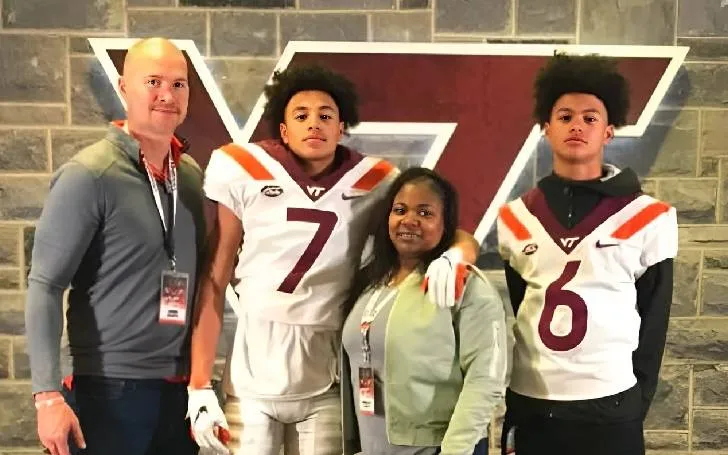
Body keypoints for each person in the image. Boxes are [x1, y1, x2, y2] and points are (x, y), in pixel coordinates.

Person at [187, 64, 479, 455]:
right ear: (284, 129)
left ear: (342, 127)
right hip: (252, 368)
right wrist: (199, 384)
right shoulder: (244, 168)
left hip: (326, 372)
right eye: (301, 115)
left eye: (326, 115)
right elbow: (215, 278)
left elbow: (447, 227)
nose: (314, 124)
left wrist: (459, 253)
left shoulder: (376, 180)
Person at [25, 37, 205, 455]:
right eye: (154, 81)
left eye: (179, 84)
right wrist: (47, 396)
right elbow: (45, 285)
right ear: (124, 88)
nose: (167, 94)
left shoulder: (191, 176)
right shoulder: (90, 175)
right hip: (109, 391)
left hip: (180, 393)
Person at [497, 54, 678, 455]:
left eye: (590, 117)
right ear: (545, 128)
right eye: (564, 116)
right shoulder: (514, 217)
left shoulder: (650, 216)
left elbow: (653, 324)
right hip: (532, 400)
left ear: (609, 132)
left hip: (609, 404)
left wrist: (633, 402)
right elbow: (522, 302)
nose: (577, 125)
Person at [341, 167, 511, 455]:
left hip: (436, 448)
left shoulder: (467, 286)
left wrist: (454, 451)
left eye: (425, 213)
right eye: (400, 210)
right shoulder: (370, 281)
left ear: (446, 225)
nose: (409, 220)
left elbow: (486, 380)